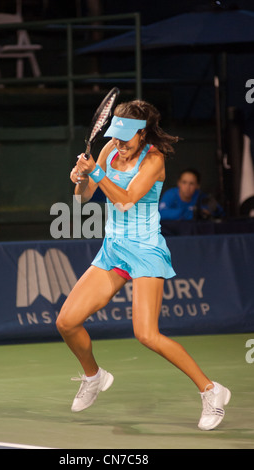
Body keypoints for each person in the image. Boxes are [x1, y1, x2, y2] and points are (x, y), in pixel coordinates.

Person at [56, 100, 231, 431]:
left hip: (146, 250)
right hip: (114, 249)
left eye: (127, 140)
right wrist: (80, 178)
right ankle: (94, 376)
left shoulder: (154, 159)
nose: (120, 146)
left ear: (143, 134)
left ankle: (211, 390)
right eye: (117, 139)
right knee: (66, 322)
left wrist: (95, 171)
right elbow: (82, 198)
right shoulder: (109, 149)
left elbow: (124, 200)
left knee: (147, 335)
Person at [159, 168, 224, 220]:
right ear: (178, 183)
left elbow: (219, 212)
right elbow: (161, 214)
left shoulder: (201, 196)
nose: (187, 187)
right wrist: (192, 213)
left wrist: (212, 212)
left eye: (191, 183)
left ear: (198, 186)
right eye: (184, 182)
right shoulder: (170, 194)